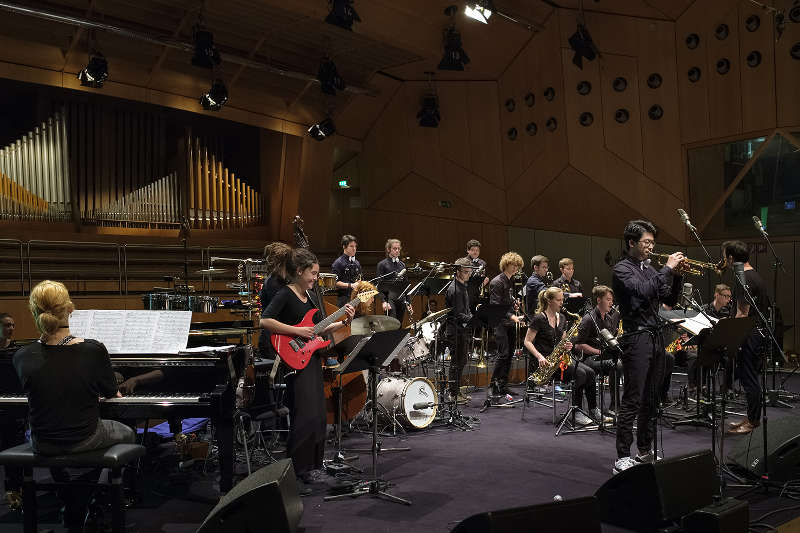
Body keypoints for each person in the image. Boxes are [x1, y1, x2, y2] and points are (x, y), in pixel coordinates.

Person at [13, 281, 136, 527]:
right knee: (129, 433)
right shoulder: (92, 350)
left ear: (33, 311)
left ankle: (70, 494)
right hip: (85, 436)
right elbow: (111, 392)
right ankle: (87, 494)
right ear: (69, 309)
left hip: (42, 442)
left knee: (63, 438)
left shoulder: (21, 356)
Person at [261, 249, 355, 485]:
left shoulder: (311, 297)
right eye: (312, 273)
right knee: (303, 416)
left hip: (311, 358)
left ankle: (313, 466)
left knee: (318, 416)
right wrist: (296, 331)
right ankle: (296, 469)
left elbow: (318, 329)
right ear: (300, 271)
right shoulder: (285, 294)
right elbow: (265, 320)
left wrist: (344, 321)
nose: (315, 277)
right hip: (294, 359)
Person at [611, 220, 683, 474]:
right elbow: (642, 291)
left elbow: (668, 299)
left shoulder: (652, 270)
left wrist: (677, 275)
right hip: (636, 338)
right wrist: (667, 269)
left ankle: (644, 450)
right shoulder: (622, 269)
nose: (651, 248)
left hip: (655, 337)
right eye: (646, 243)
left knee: (652, 399)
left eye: (653, 243)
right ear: (632, 243)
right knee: (633, 398)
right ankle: (622, 456)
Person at [525, 287, 603, 425]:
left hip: (560, 360)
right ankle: (576, 412)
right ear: (549, 301)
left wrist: (568, 345)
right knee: (580, 374)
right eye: (559, 300)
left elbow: (564, 340)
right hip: (545, 364)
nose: (562, 303)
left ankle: (593, 409)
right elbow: (527, 341)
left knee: (590, 372)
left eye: (562, 300)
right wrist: (539, 356)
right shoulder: (539, 319)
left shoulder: (561, 317)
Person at [723, 241, 771, 435]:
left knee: (750, 378)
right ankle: (751, 418)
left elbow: (742, 313)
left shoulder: (744, 279)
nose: (723, 260)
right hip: (755, 333)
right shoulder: (753, 275)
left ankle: (753, 422)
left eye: (724, 256)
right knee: (748, 377)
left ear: (731, 258)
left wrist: (729, 337)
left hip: (749, 335)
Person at [573, 285, 624, 416]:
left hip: (603, 357)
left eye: (612, 300)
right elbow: (579, 345)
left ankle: (617, 405)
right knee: (616, 365)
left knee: (623, 363)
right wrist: (598, 352)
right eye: (608, 299)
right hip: (587, 360)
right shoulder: (588, 319)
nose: (611, 303)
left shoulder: (609, 319)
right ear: (599, 300)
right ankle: (613, 407)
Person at [488, 252, 525, 396]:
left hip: (508, 323)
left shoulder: (510, 281)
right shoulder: (497, 282)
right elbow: (495, 306)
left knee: (509, 354)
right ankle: (492, 385)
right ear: (506, 265)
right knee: (503, 354)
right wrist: (512, 316)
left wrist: (514, 306)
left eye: (517, 266)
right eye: (513, 265)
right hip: (499, 323)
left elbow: (506, 302)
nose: (516, 268)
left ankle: (502, 385)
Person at [0, 312, 23, 511]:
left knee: (13, 448)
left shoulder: (17, 352)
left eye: (13, 325)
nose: (11, 329)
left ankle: (15, 491)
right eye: (7, 325)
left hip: (13, 406)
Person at [444, 258, 473, 403]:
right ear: (458, 271)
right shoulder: (455, 289)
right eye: (466, 272)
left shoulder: (462, 286)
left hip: (461, 330)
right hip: (455, 330)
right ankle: (453, 394)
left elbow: (464, 311)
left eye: (470, 271)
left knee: (462, 360)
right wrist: (473, 319)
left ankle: (456, 391)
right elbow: (458, 314)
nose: (468, 274)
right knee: (456, 362)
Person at [258, 242, 293, 359]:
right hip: (271, 339)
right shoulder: (273, 283)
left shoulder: (281, 281)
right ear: (282, 262)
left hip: (276, 336)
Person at [376, 239, 411, 325]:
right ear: (389, 249)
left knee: (399, 325)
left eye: (398, 249)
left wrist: (409, 302)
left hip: (401, 299)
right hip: (389, 299)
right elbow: (379, 285)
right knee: (392, 324)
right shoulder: (382, 264)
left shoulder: (402, 265)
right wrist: (383, 301)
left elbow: (406, 284)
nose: (397, 251)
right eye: (394, 248)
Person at [331, 235, 362, 308]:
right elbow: (335, 282)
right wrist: (351, 285)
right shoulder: (338, 263)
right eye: (351, 246)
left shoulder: (357, 263)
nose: (354, 249)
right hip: (344, 299)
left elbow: (359, 278)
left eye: (355, 246)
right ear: (344, 247)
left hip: (356, 297)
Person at [465, 239, 488, 310]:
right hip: (466, 293)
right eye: (472, 250)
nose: (475, 252)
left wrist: (484, 282)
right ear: (468, 251)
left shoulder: (482, 263)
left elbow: (485, 277)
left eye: (477, 250)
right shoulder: (464, 262)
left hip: (478, 294)